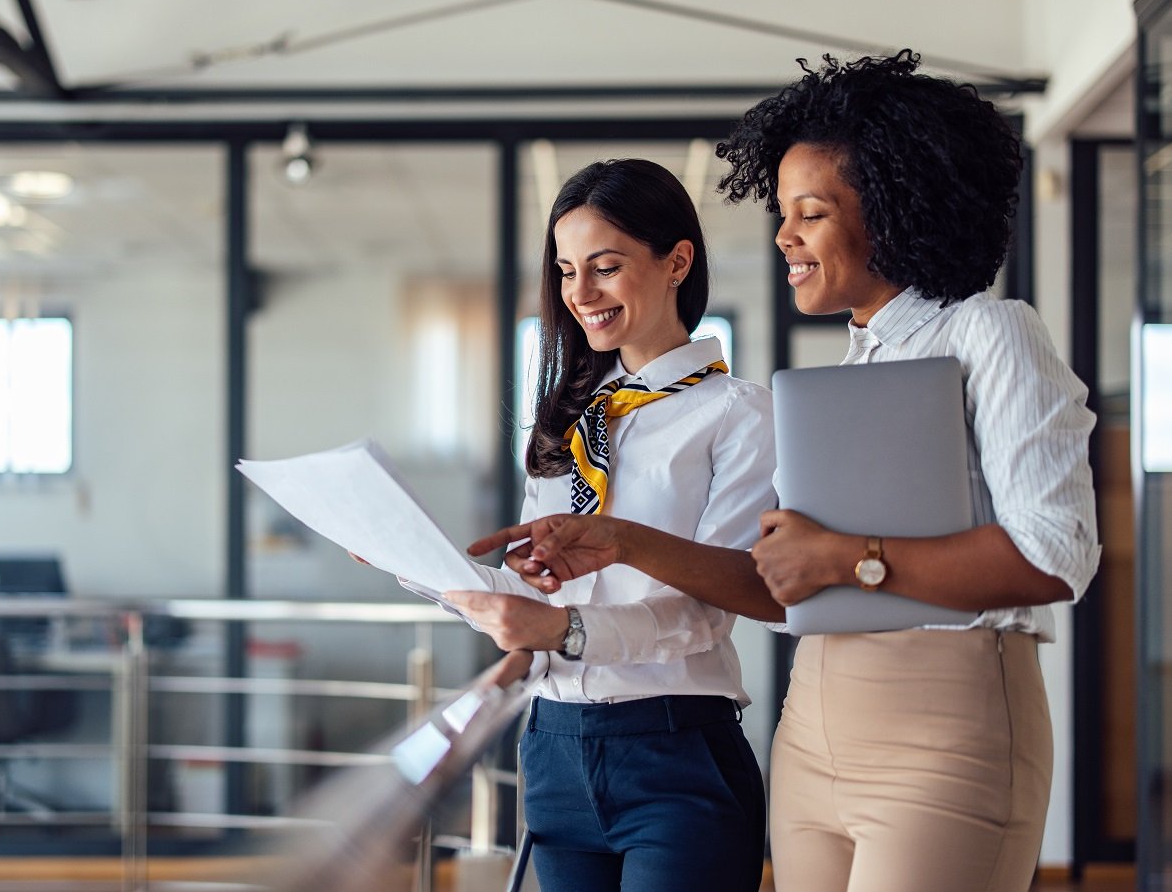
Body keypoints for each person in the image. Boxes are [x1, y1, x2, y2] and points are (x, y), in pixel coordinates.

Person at [467, 52, 1099, 892]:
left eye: (810, 213)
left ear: (893, 211)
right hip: (814, 715)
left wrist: (845, 558)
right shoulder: (854, 360)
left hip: (943, 715)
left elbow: (1057, 553)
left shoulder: (991, 331)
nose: (783, 237)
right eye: (784, 212)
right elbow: (790, 580)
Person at [415, 158, 777, 891]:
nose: (580, 294)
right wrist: (412, 556)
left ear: (677, 261)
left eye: (604, 267)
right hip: (552, 747)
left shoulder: (740, 416)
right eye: (565, 270)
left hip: (673, 747)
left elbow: (714, 605)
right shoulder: (573, 418)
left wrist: (567, 633)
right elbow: (542, 594)